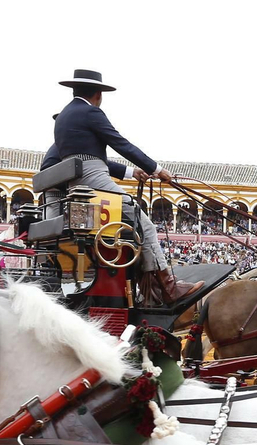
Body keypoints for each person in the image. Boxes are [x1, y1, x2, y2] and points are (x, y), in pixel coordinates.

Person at [39, 69, 201, 303]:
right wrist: (157, 169)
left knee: (132, 224)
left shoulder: (64, 117)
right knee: (143, 223)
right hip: (93, 180)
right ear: (98, 93)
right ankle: (167, 288)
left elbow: (90, 156)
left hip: (79, 182)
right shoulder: (91, 112)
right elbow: (120, 144)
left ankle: (151, 287)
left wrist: (131, 172)